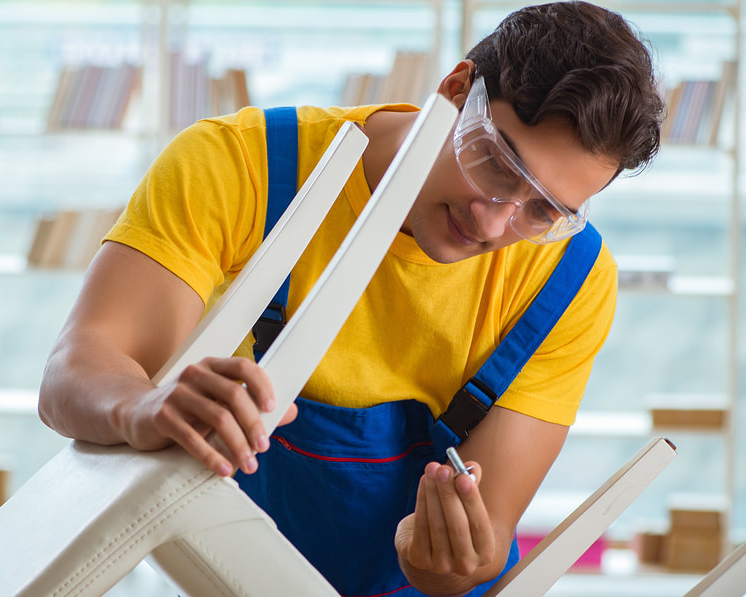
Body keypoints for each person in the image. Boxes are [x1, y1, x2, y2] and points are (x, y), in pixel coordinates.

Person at [38, 2, 664, 595]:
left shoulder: (571, 280)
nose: (496, 222)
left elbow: (483, 537)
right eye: (498, 165)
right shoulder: (240, 166)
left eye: (546, 210)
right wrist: (141, 408)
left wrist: (451, 567)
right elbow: (78, 370)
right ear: (454, 90)